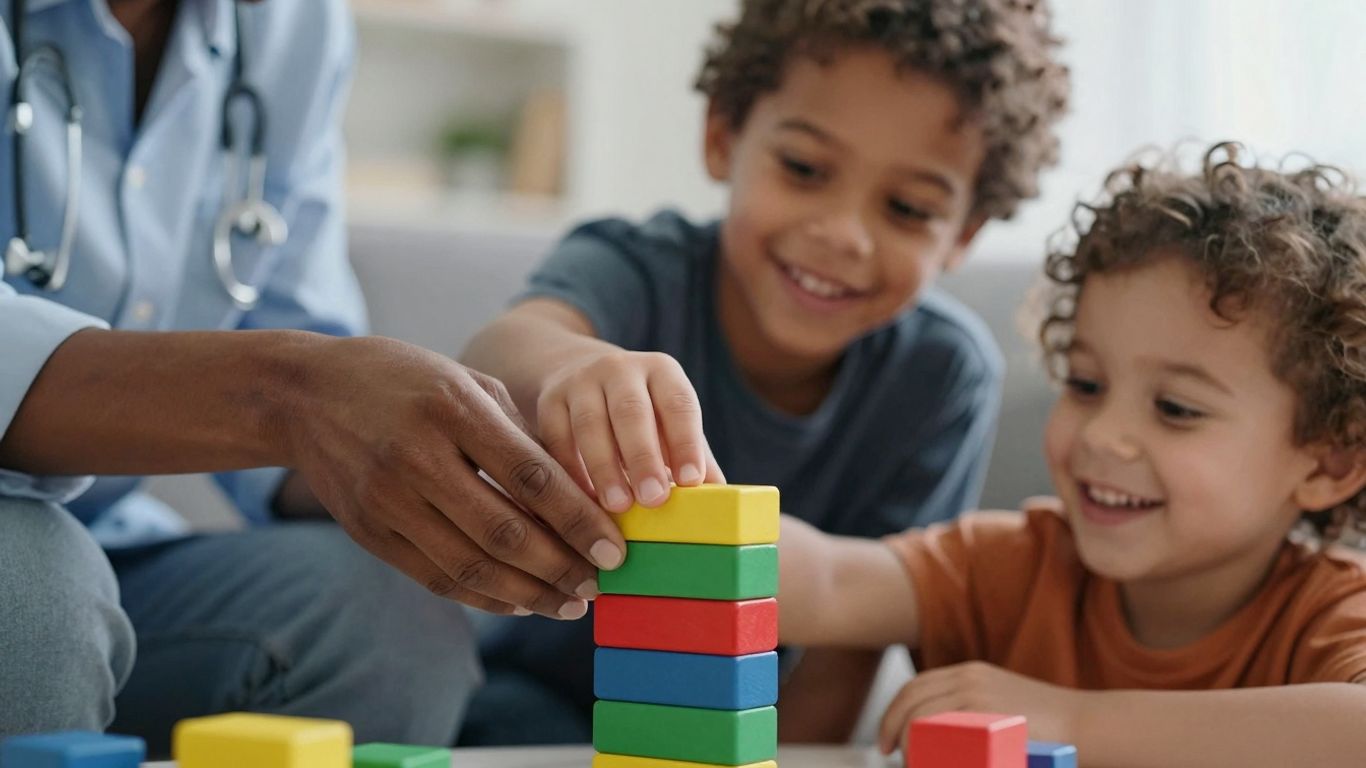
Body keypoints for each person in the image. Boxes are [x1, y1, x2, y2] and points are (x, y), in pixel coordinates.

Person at [0, 0, 625, 752]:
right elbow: (299, 387)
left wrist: (441, 469)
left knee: (392, 619)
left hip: (123, 543)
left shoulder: (292, 23)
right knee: (34, 597)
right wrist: (291, 393)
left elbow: (302, 346)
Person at [458, 0, 1070, 743]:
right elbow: (503, 349)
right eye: (804, 168)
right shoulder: (637, 269)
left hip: (746, 728)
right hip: (536, 702)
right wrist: (574, 367)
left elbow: (852, 640)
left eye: (907, 208)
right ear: (723, 136)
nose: (841, 234)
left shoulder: (942, 378)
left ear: (962, 235)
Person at [777, 142, 1366, 766]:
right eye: (1086, 385)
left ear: (1327, 464)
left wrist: (1073, 717)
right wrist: (673, 481)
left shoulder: (1328, 613)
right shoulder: (1007, 570)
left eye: (1176, 408)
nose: (1101, 435)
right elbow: (828, 581)